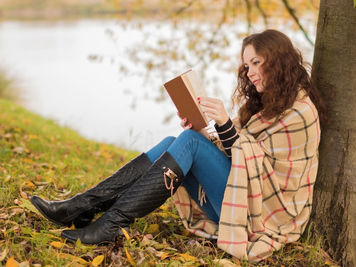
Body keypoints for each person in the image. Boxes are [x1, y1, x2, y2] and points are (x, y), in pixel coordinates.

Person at [30, 29, 323, 262]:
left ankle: (108, 222)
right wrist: (202, 130)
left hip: (256, 216)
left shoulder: (300, 113)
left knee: (189, 144)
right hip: (237, 199)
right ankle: (85, 206)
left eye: (257, 62)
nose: (250, 73)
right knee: (178, 141)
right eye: (247, 65)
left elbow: (259, 171)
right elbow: (238, 155)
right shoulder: (264, 105)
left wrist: (223, 125)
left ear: (279, 60)